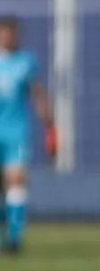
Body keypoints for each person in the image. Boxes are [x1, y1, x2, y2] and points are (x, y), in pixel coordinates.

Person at [0, 17, 56, 254]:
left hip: (15, 131)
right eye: (4, 33)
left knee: (16, 179)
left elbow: (37, 94)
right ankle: (8, 218)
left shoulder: (26, 62)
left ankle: (14, 238)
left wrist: (50, 128)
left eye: (12, 33)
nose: (8, 37)